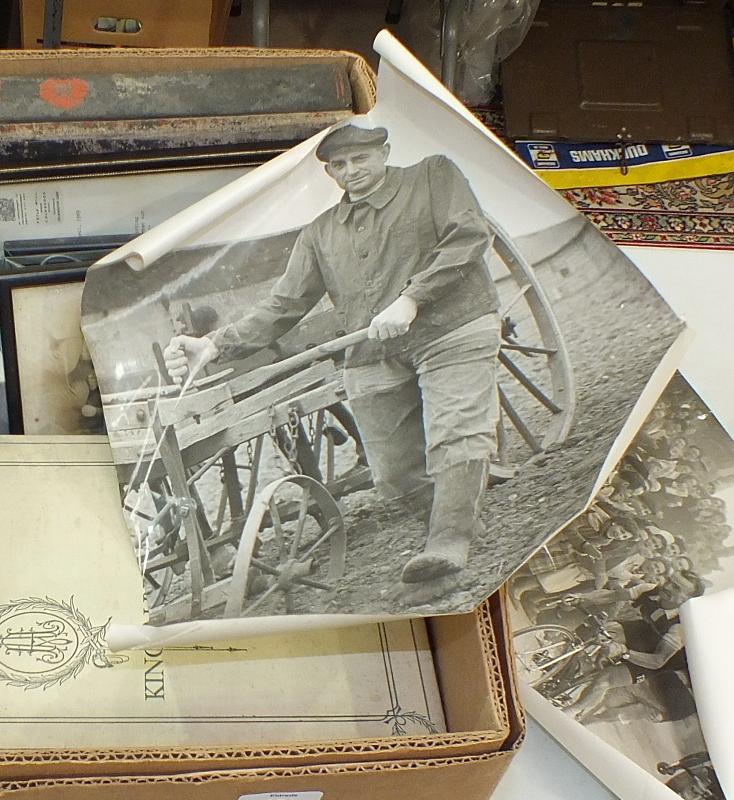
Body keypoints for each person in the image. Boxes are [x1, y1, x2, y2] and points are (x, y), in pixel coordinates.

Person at [163, 123, 503, 584]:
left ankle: (447, 542)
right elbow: (285, 304)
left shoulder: (431, 176)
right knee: (391, 474)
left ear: (384, 151)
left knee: (456, 434)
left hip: (453, 328)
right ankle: (453, 520)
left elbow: (468, 237)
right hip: (372, 351)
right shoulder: (321, 233)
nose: (351, 171)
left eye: (360, 159)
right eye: (338, 166)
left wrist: (412, 298)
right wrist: (214, 345)